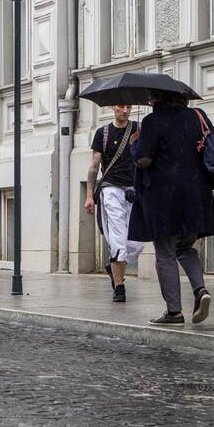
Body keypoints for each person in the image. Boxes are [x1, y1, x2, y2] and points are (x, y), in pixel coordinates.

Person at [129, 92, 214, 325]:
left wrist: (135, 144)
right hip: (197, 195)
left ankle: (174, 312)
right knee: (184, 246)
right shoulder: (197, 116)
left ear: (158, 99)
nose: (148, 100)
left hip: (164, 198)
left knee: (166, 253)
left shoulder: (153, 121)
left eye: (150, 98)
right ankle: (200, 290)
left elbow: (143, 160)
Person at [85, 104, 144, 303]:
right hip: (111, 189)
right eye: (121, 106)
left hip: (134, 191)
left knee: (136, 243)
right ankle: (120, 287)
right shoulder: (103, 133)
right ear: (113, 107)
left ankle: (113, 266)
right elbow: (94, 166)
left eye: (128, 107)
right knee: (118, 238)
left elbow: (148, 159)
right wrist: (89, 195)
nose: (125, 110)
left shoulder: (139, 129)